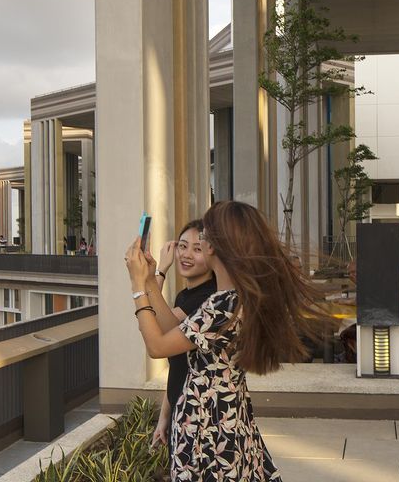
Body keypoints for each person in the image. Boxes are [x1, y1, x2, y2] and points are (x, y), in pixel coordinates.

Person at [125, 200, 330, 481]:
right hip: (226, 417)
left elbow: (157, 347)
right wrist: (150, 279)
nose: (198, 243)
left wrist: (137, 287)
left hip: (206, 424)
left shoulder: (223, 305)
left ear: (214, 247)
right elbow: (174, 330)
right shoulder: (232, 299)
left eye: (204, 237)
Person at [147, 220, 217, 449]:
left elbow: (157, 329)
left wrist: (157, 272)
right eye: (183, 246)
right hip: (181, 410)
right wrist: (164, 418)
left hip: (198, 417)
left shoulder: (208, 298)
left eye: (197, 249)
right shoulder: (184, 296)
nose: (186, 255)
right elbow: (178, 366)